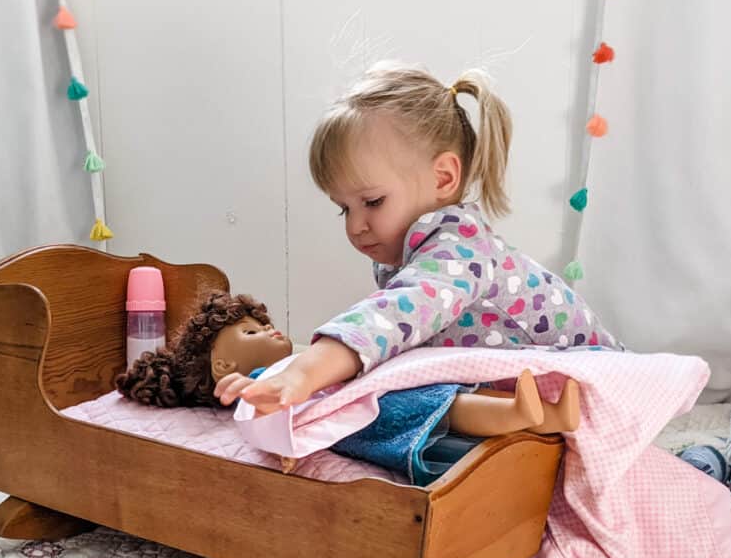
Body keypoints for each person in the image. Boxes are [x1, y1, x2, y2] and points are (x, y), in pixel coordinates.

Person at [215, 62, 621, 415]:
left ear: (443, 177)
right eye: (344, 208)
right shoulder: (405, 252)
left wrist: (306, 369)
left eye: (372, 201)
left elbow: (399, 312)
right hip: (517, 381)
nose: (355, 226)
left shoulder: (459, 248)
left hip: (599, 383)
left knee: (379, 398)